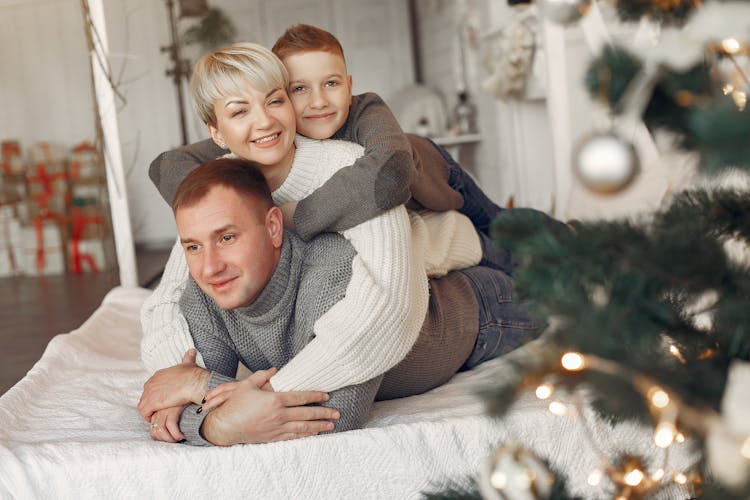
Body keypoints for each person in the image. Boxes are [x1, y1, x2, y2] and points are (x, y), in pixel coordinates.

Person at [141, 42, 507, 408]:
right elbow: (171, 297)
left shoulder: (352, 170)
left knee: (543, 274)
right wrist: (179, 384)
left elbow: (388, 305)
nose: (265, 121)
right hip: (425, 283)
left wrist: (267, 395)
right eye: (240, 111)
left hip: (460, 279)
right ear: (216, 133)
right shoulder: (218, 188)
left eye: (274, 101)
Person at [138, 158, 538, 446]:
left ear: (273, 227)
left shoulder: (329, 269)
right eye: (193, 246)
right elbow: (168, 406)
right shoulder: (202, 290)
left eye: (227, 238)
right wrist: (209, 414)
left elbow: (339, 410)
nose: (210, 266)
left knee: (562, 297)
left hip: (476, 315)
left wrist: (205, 400)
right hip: (459, 315)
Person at [149, 23, 508, 248]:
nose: (318, 101)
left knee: (507, 230)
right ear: (281, 95)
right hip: (408, 216)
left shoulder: (365, 109)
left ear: (348, 87)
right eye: (299, 89)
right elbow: (166, 165)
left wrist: (291, 215)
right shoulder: (269, 128)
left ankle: (562, 241)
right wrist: (227, 210)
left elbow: (392, 172)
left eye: (331, 84)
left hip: (435, 174)